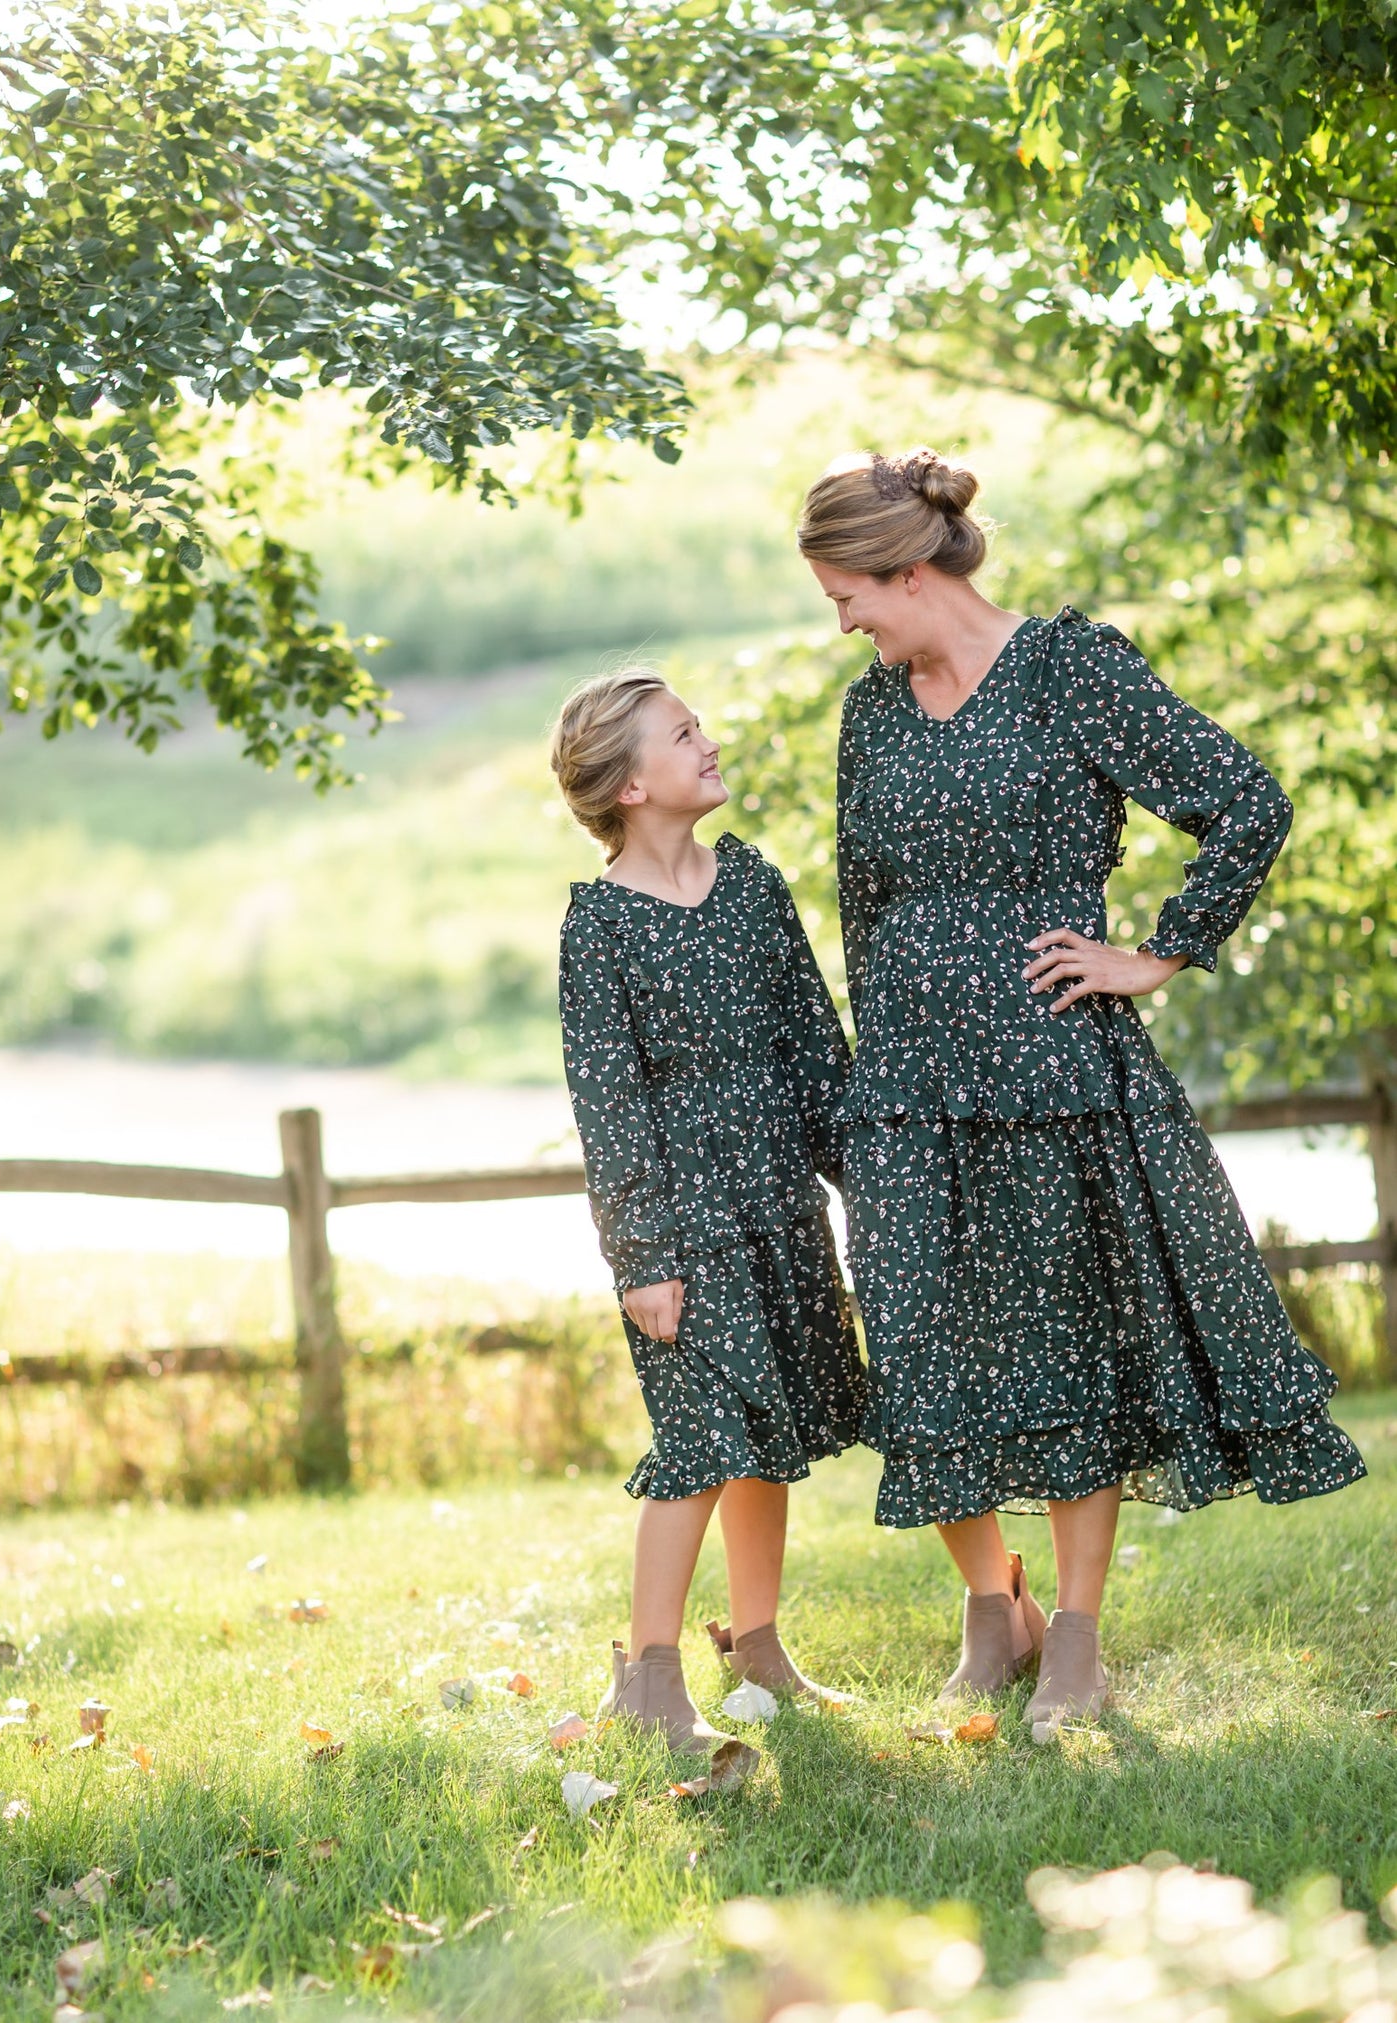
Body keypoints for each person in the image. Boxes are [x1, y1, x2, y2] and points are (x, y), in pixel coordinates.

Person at [797, 447, 1367, 1735]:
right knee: (928, 1357)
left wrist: (1155, 955)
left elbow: (1243, 802)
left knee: (1065, 1349)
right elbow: (865, 904)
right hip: (908, 1084)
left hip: (1053, 1067)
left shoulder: (1069, 671)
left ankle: (1079, 1637)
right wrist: (862, 1076)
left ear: (903, 568)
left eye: (845, 595)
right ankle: (992, 1614)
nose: (839, 621)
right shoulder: (868, 711)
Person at [550, 666, 867, 1753]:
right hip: (680, 1232)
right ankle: (646, 1681)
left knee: (764, 1434)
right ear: (627, 786)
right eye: (682, 736)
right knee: (697, 1440)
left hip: (778, 1207)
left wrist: (864, 1185)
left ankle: (761, 1647)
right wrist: (641, 1255)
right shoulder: (598, 929)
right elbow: (608, 1101)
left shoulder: (752, 887)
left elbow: (813, 1051)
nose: (708, 744)